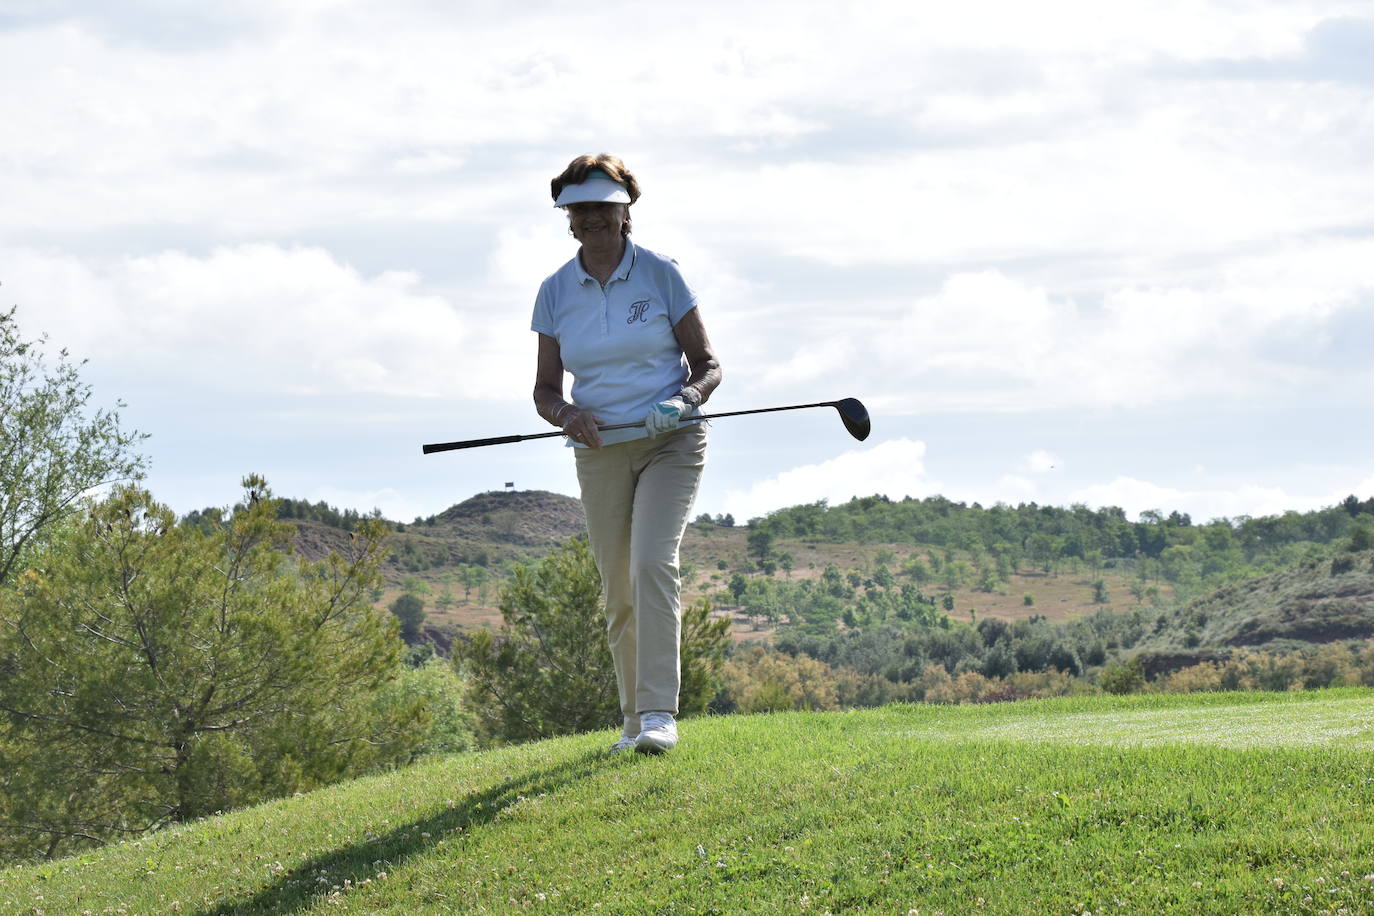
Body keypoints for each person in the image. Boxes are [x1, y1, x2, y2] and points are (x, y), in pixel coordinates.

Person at [531, 154, 722, 754]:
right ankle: (632, 720)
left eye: (603, 207)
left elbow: (709, 365)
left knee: (650, 565)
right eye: (580, 208)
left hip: (671, 440)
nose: (592, 218)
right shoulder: (555, 291)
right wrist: (568, 415)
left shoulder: (662, 275)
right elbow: (544, 391)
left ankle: (661, 713)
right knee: (617, 587)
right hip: (601, 450)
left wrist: (686, 397)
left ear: (625, 210)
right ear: (569, 215)